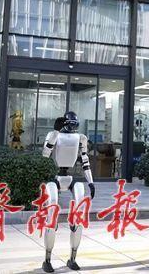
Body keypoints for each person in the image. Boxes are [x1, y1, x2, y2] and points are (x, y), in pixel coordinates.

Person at [40, 111, 95, 272]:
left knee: (79, 216)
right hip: (55, 177)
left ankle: (73, 258)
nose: (72, 127)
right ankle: (47, 259)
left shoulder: (81, 138)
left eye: (74, 124)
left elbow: (85, 161)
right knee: (52, 216)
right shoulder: (54, 135)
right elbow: (44, 155)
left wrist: (91, 182)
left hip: (70, 178)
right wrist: (55, 132)